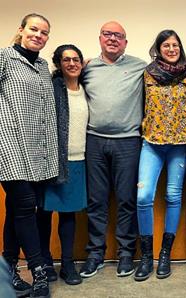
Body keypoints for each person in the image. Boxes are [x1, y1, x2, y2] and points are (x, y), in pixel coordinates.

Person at [80, 21, 147, 279]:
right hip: (94, 141)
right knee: (96, 201)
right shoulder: (87, 68)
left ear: (125, 42)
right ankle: (95, 254)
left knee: (127, 200)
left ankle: (127, 254)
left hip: (128, 142)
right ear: (100, 39)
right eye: (108, 34)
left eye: (118, 36)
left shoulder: (139, 66)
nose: (112, 39)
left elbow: (172, 72)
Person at [0, 12, 57, 298]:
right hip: (9, 147)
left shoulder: (43, 64)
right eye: (34, 29)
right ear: (21, 30)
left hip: (37, 152)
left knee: (15, 212)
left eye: (44, 32)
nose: (38, 35)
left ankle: (7, 272)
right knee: (25, 208)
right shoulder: (4, 57)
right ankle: (38, 272)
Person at [134, 29, 186, 281]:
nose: (171, 49)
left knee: (173, 196)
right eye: (166, 45)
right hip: (151, 142)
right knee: (143, 196)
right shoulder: (147, 73)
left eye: (175, 45)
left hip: (180, 145)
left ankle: (165, 254)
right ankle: (147, 256)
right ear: (158, 49)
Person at [35, 44, 88, 286]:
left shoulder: (86, 89)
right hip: (52, 161)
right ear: (58, 63)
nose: (72, 63)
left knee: (69, 215)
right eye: (66, 60)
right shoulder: (51, 88)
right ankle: (45, 261)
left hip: (79, 160)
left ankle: (67, 264)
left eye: (76, 59)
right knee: (44, 213)